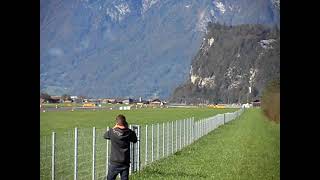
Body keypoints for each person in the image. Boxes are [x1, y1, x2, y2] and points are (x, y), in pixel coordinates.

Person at [104, 114, 137, 180]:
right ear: (125, 122)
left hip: (114, 162)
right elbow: (135, 140)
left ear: (117, 123)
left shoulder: (112, 132)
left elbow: (105, 136)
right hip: (125, 162)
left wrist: (114, 127)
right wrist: (127, 128)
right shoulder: (129, 133)